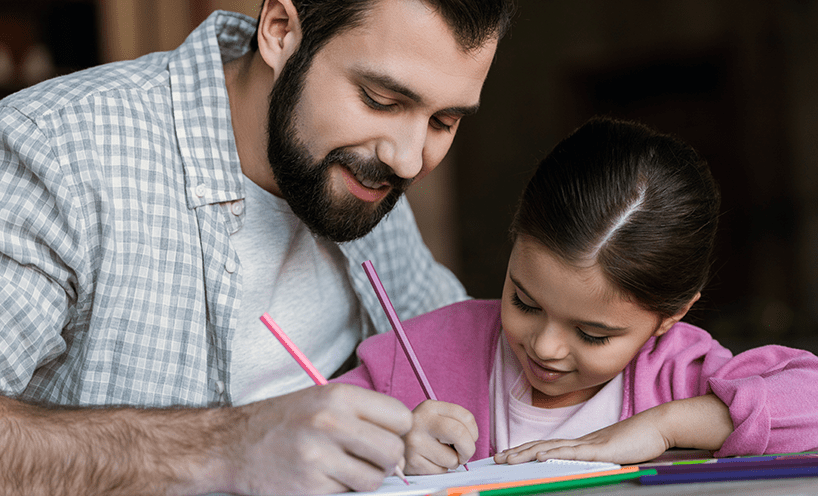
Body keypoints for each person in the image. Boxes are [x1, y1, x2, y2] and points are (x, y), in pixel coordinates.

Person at [0, 0, 514, 494]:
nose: (407, 160)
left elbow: (476, 352)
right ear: (279, 29)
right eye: (380, 100)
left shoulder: (363, 177)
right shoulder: (55, 152)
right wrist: (230, 446)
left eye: (444, 122)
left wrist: (596, 419)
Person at [334, 116, 818, 475]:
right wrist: (390, 444)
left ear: (671, 316)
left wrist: (665, 427)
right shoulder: (423, 351)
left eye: (592, 334)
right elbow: (306, 433)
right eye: (524, 302)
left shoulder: (681, 376)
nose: (545, 347)